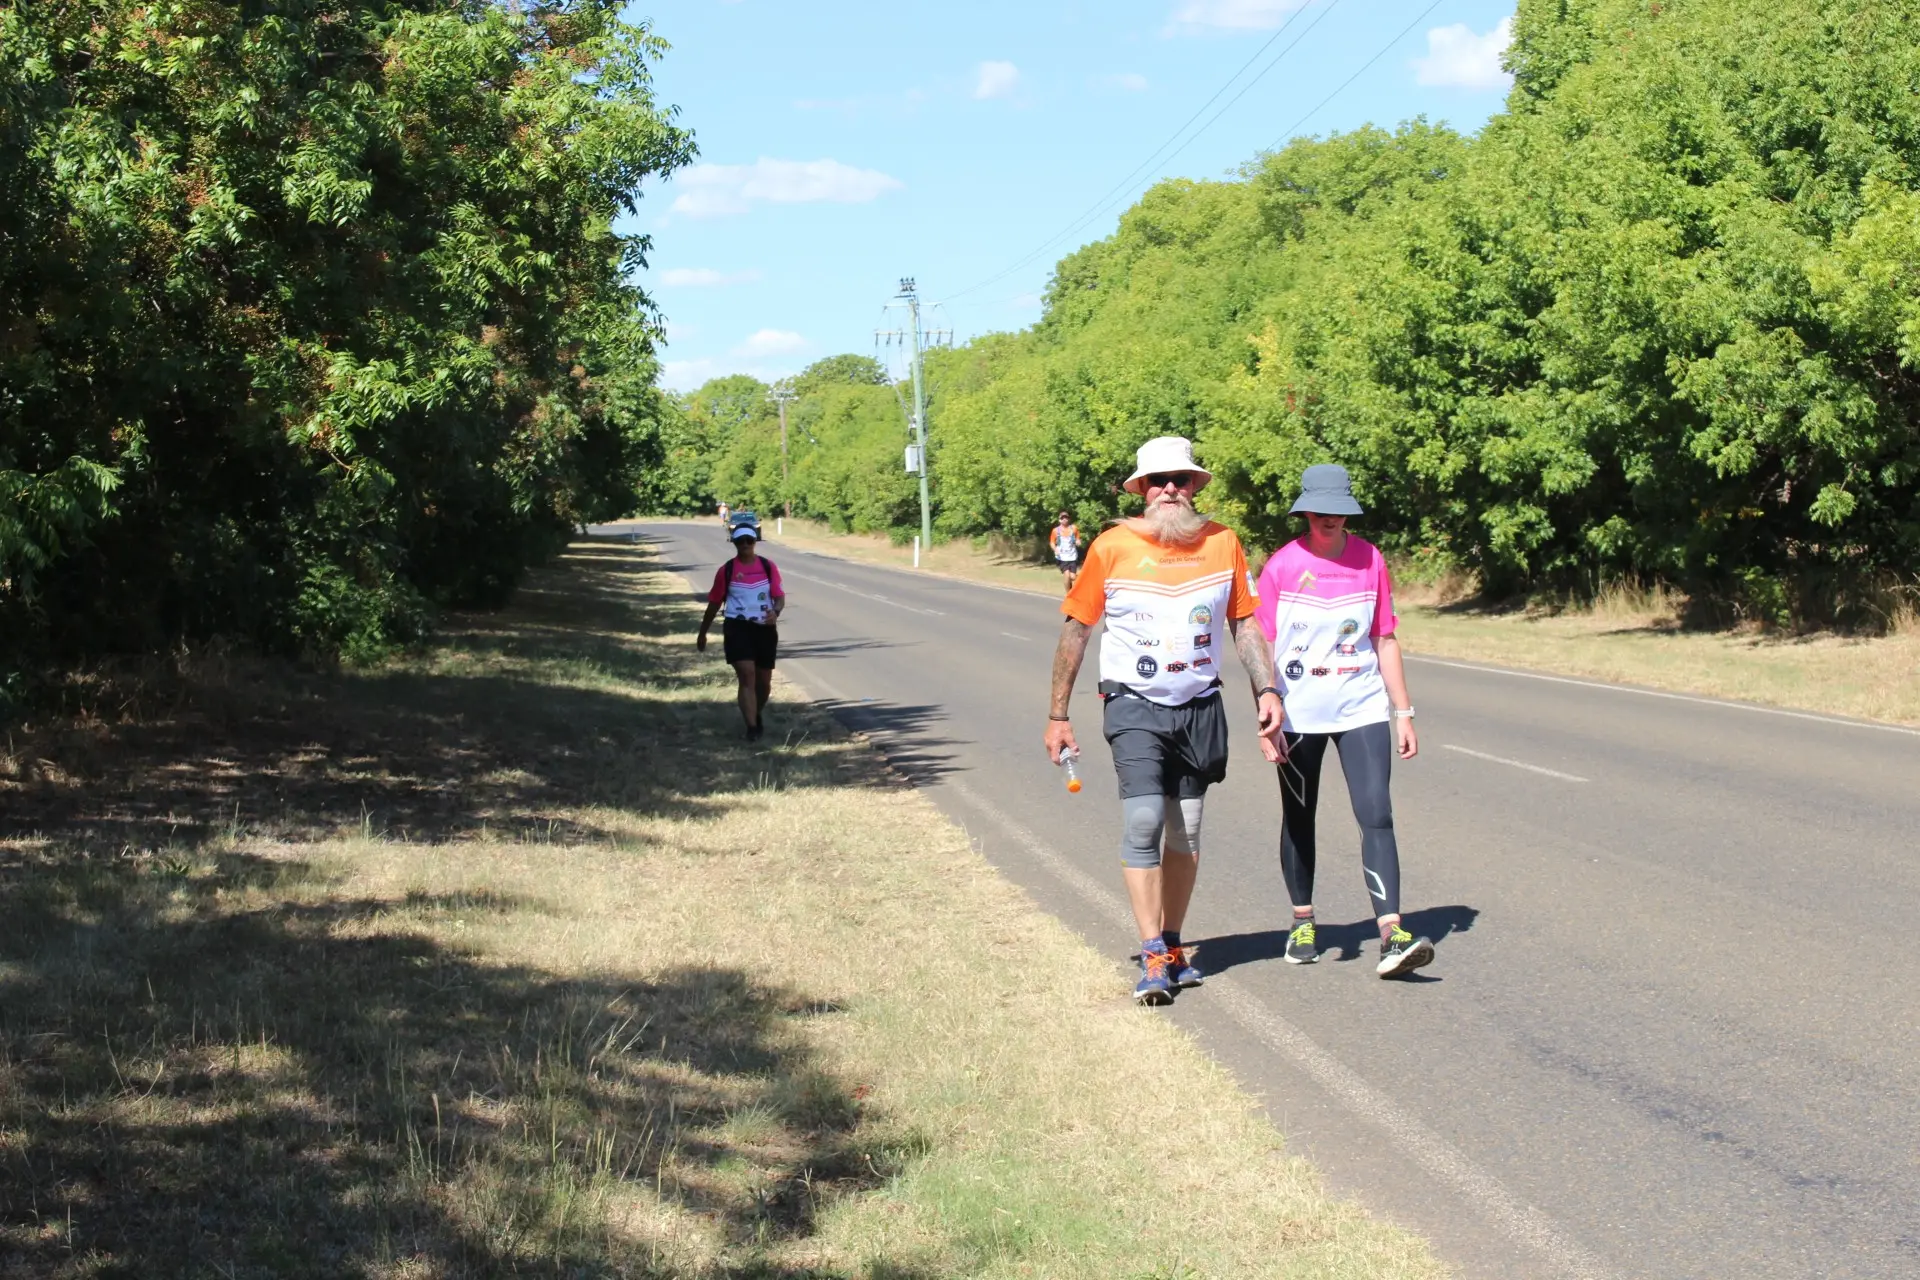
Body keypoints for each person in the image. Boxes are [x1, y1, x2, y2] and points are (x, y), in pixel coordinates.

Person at [1044, 437, 1284, 1005]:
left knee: (1188, 829)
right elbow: (1076, 631)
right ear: (1141, 491)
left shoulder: (1224, 543)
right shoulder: (1110, 547)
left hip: (1200, 703)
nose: (1169, 489)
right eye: (1158, 481)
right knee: (1144, 819)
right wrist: (1058, 714)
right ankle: (1151, 952)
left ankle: (1173, 944)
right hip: (1133, 702)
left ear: (1195, 486)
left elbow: (1244, 624)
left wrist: (1267, 689)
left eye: (1179, 478)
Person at [1254, 464, 1434, 978]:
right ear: (1305, 511)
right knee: (1299, 815)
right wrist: (1267, 713)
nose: (1329, 519)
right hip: (1298, 711)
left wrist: (1403, 711)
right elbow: (1260, 646)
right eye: (1320, 510)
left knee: (1377, 812)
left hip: (1362, 705)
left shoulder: (1370, 558)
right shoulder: (1282, 567)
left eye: (1338, 510)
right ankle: (1303, 921)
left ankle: (1391, 934)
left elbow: (1385, 638)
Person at [696, 512, 784, 741]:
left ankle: (756, 712)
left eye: (749, 541)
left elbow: (779, 597)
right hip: (737, 627)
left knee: (763, 682)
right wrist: (702, 633)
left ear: (755, 542)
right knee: (747, 675)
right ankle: (752, 729)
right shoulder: (726, 570)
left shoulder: (767, 566)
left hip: (764, 628)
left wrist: (776, 612)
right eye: (740, 541)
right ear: (734, 543)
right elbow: (714, 603)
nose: (745, 545)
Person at [1050, 510, 1082, 591]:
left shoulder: (1074, 528)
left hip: (1072, 556)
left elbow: (1078, 539)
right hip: (1061, 557)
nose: (1064, 519)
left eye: (1066, 518)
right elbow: (1052, 542)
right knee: (1067, 575)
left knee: (1073, 577)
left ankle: (1081, 579)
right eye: (1062, 518)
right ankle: (1069, 595)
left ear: (1069, 519)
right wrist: (1055, 549)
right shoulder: (1055, 531)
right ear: (1059, 520)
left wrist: (1078, 541)